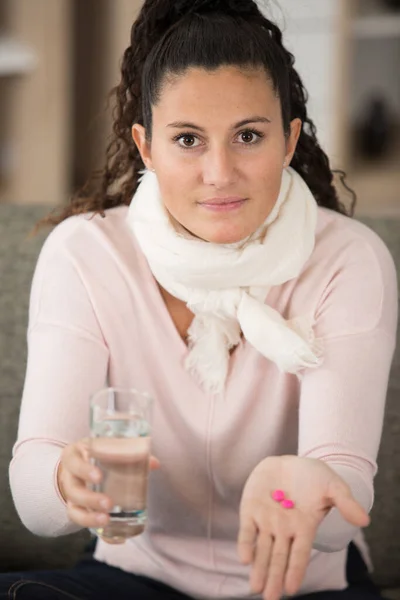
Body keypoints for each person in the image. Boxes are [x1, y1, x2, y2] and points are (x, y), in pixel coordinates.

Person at [6, 0, 398, 598]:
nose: (219, 173)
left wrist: (305, 482)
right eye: (187, 139)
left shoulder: (348, 258)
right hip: (135, 575)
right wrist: (65, 478)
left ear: (289, 140)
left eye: (248, 135)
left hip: (301, 586)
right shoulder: (87, 254)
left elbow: (347, 505)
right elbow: (37, 497)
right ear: (146, 146)